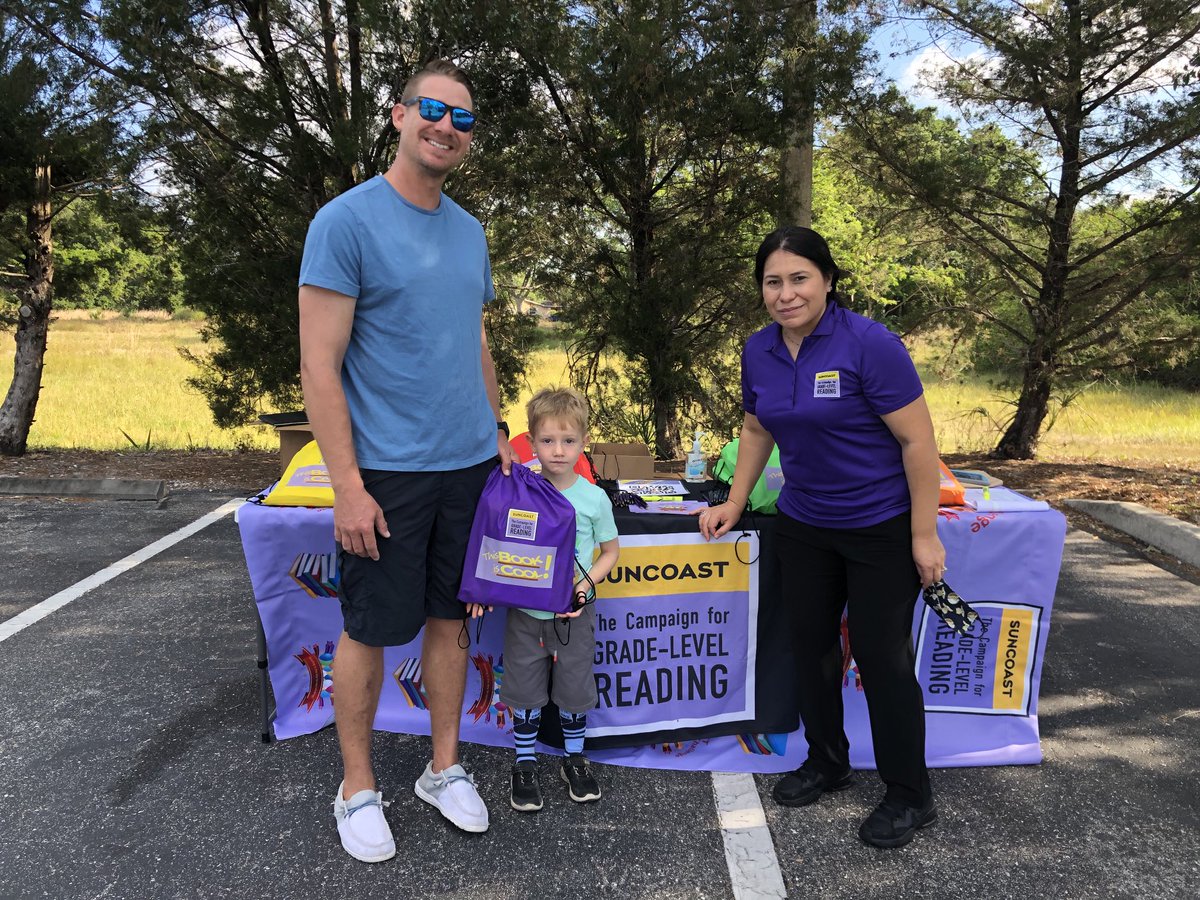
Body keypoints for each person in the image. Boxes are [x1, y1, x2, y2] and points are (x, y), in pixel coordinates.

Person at [297, 58, 518, 862]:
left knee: (450, 621)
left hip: (468, 468)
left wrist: (496, 437)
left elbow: (476, 338)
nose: (447, 127)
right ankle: (357, 788)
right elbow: (319, 366)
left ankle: (444, 767)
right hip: (385, 474)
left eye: (462, 118)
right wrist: (347, 487)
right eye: (433, 109)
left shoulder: (468, 231)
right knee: (369, 629)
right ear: (397, 115)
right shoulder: (346, 222)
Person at [697, 225, 945, 849]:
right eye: (772, 282)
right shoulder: (760, 350)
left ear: (828, 281)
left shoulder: (870, 344)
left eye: (799, 278)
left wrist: (923, 535)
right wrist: (732, 500)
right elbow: (757, 429)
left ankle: (909, 794)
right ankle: (828, 760)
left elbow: (918, 442)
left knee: (882, 658)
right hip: (804, 524)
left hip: (879, 528)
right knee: (811, 648)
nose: (785, 294)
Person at [467, 388, 619, 812]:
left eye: (568, 441)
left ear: (584, 442)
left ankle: (573, 758)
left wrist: (587, 585)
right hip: (526, 616)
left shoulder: (593, 499)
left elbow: (610, 552)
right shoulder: (518, 490)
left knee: (573, 690)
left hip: (575, 614)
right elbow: (496, 545)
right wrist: (486, 587)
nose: (558, 451)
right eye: (548, 441)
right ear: (531, 443)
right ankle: (525, 761)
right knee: (524, 690)